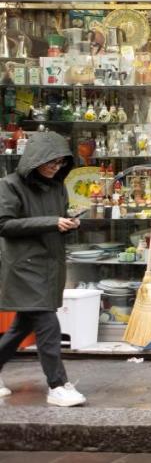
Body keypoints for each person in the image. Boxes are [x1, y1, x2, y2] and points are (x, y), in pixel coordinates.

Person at [0, 131, 86, 406]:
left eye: (61, 163)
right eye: (51, 162)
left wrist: (68, 223)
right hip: (24, 266)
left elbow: (56, 221)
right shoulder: (10, 185)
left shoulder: (58, 187)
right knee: (48, 324)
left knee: (20, 327)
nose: (55, 167)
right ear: (34, 159)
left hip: (50, 263)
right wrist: (52, 222)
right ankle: (58, 384)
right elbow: (4, 224)